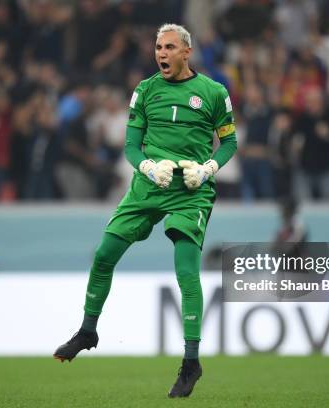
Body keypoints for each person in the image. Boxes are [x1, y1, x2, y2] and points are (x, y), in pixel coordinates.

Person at [53, 24, 237, 399]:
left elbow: (229, 142)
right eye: (158, 47)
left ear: (187, 52)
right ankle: (88, 330)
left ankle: (191, 361)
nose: (161, 53)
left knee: (186, 270)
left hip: (190, 190)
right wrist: (147, 167)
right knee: (104, 254)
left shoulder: (214, 93)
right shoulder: (145, 91)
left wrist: (209, 169)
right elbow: (131, 148)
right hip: (147, 186)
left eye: (169, 47)